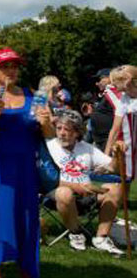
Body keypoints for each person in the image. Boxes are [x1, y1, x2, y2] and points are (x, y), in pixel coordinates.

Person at [0, 48, 55, 278]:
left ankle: (26, 268)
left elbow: (49, 134)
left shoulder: (33, 95)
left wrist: (45, 122)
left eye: (15, 66)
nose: (11, 70)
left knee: (25, 219)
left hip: (25, 170)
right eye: (5, 66)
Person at [45, 109, 124, 255]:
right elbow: (46, 179)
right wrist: (76, 187)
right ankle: (76, 233)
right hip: (57, 197)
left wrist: (117, 155)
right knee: (64, 193)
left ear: (77, 132)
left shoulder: (87, 149)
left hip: (87, 196)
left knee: (115, 188)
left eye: (67, 129)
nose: (61, 133)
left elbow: (113, 168)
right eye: (59, 128)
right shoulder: (49, 148)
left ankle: (101, 238)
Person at [105, 65, 137, 181]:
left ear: (126, 80)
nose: (112, 85)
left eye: (115, 82)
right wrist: (105, 157)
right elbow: (115, 129)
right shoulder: (124, 99)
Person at [90, 68, 119, 151]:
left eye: (100, 79)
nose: (97, 83)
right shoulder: (105, 94)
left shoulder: (114, 93)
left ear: (109, 78)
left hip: (110, 140)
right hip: (100, 141)